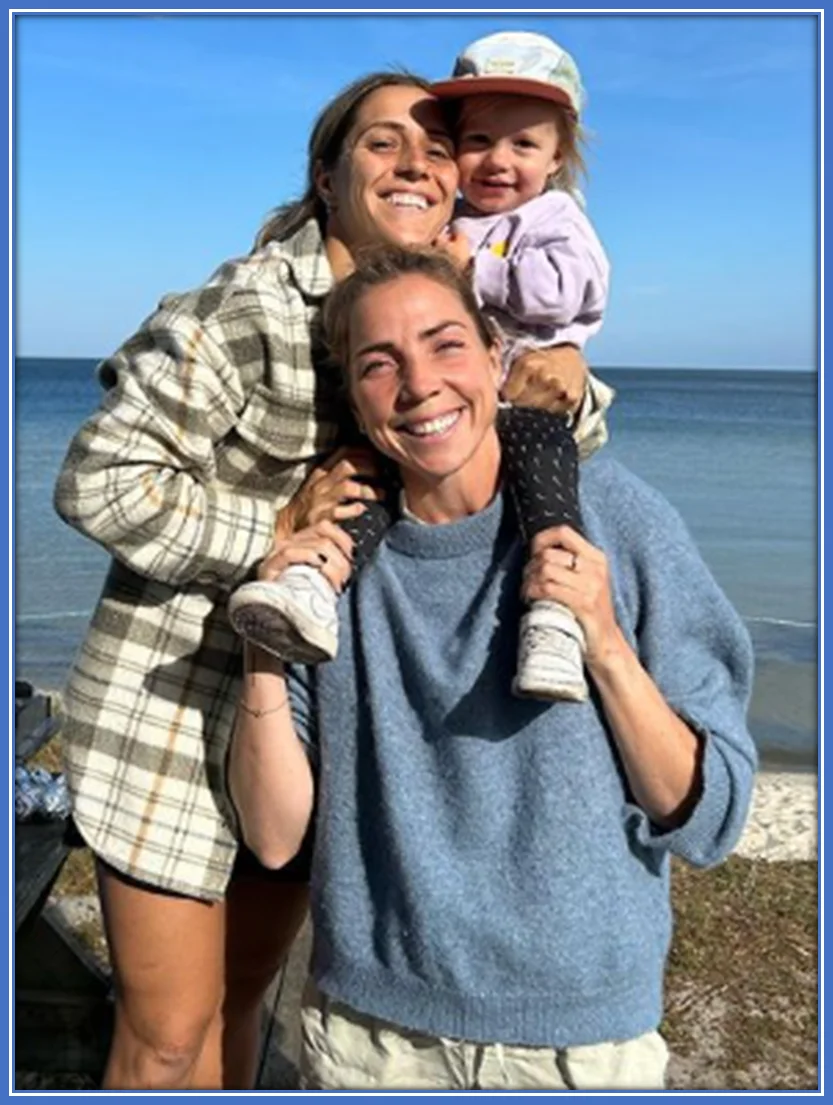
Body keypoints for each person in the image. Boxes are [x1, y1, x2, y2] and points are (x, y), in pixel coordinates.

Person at [51, 71, 608, 1090]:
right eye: (382, 144)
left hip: (318, 716)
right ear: (325, 173)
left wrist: (571, 380)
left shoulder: (454, 300)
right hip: (176, 701)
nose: (417, 166)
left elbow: (502, 420)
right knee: (167, 1032)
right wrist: (273, 527)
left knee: (247, 991)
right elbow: (97, 481)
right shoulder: (247, 302)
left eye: (438, 150)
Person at [229, 245, 758, 1092]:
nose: (419, 384)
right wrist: (262, 647)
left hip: (580, 1042)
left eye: (445, 344)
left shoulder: (614, 517)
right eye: (378, 363)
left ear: (493, 357)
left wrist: (604, 641)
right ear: (356, 401)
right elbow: (274, 832)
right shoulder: (327, 569)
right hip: (376, 1038)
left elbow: (709, 816)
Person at [227, 30, 611, 703]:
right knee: (362, 484)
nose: (497, 161)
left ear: (556, 158)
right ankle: (314, 584)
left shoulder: (553, 218)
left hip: (517, 402)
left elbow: (566, 293)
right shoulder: (452, 221)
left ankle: (552, 618)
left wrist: (485, 277)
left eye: (523, 144)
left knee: (549, 502)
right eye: (476, 142)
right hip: (452, 411)